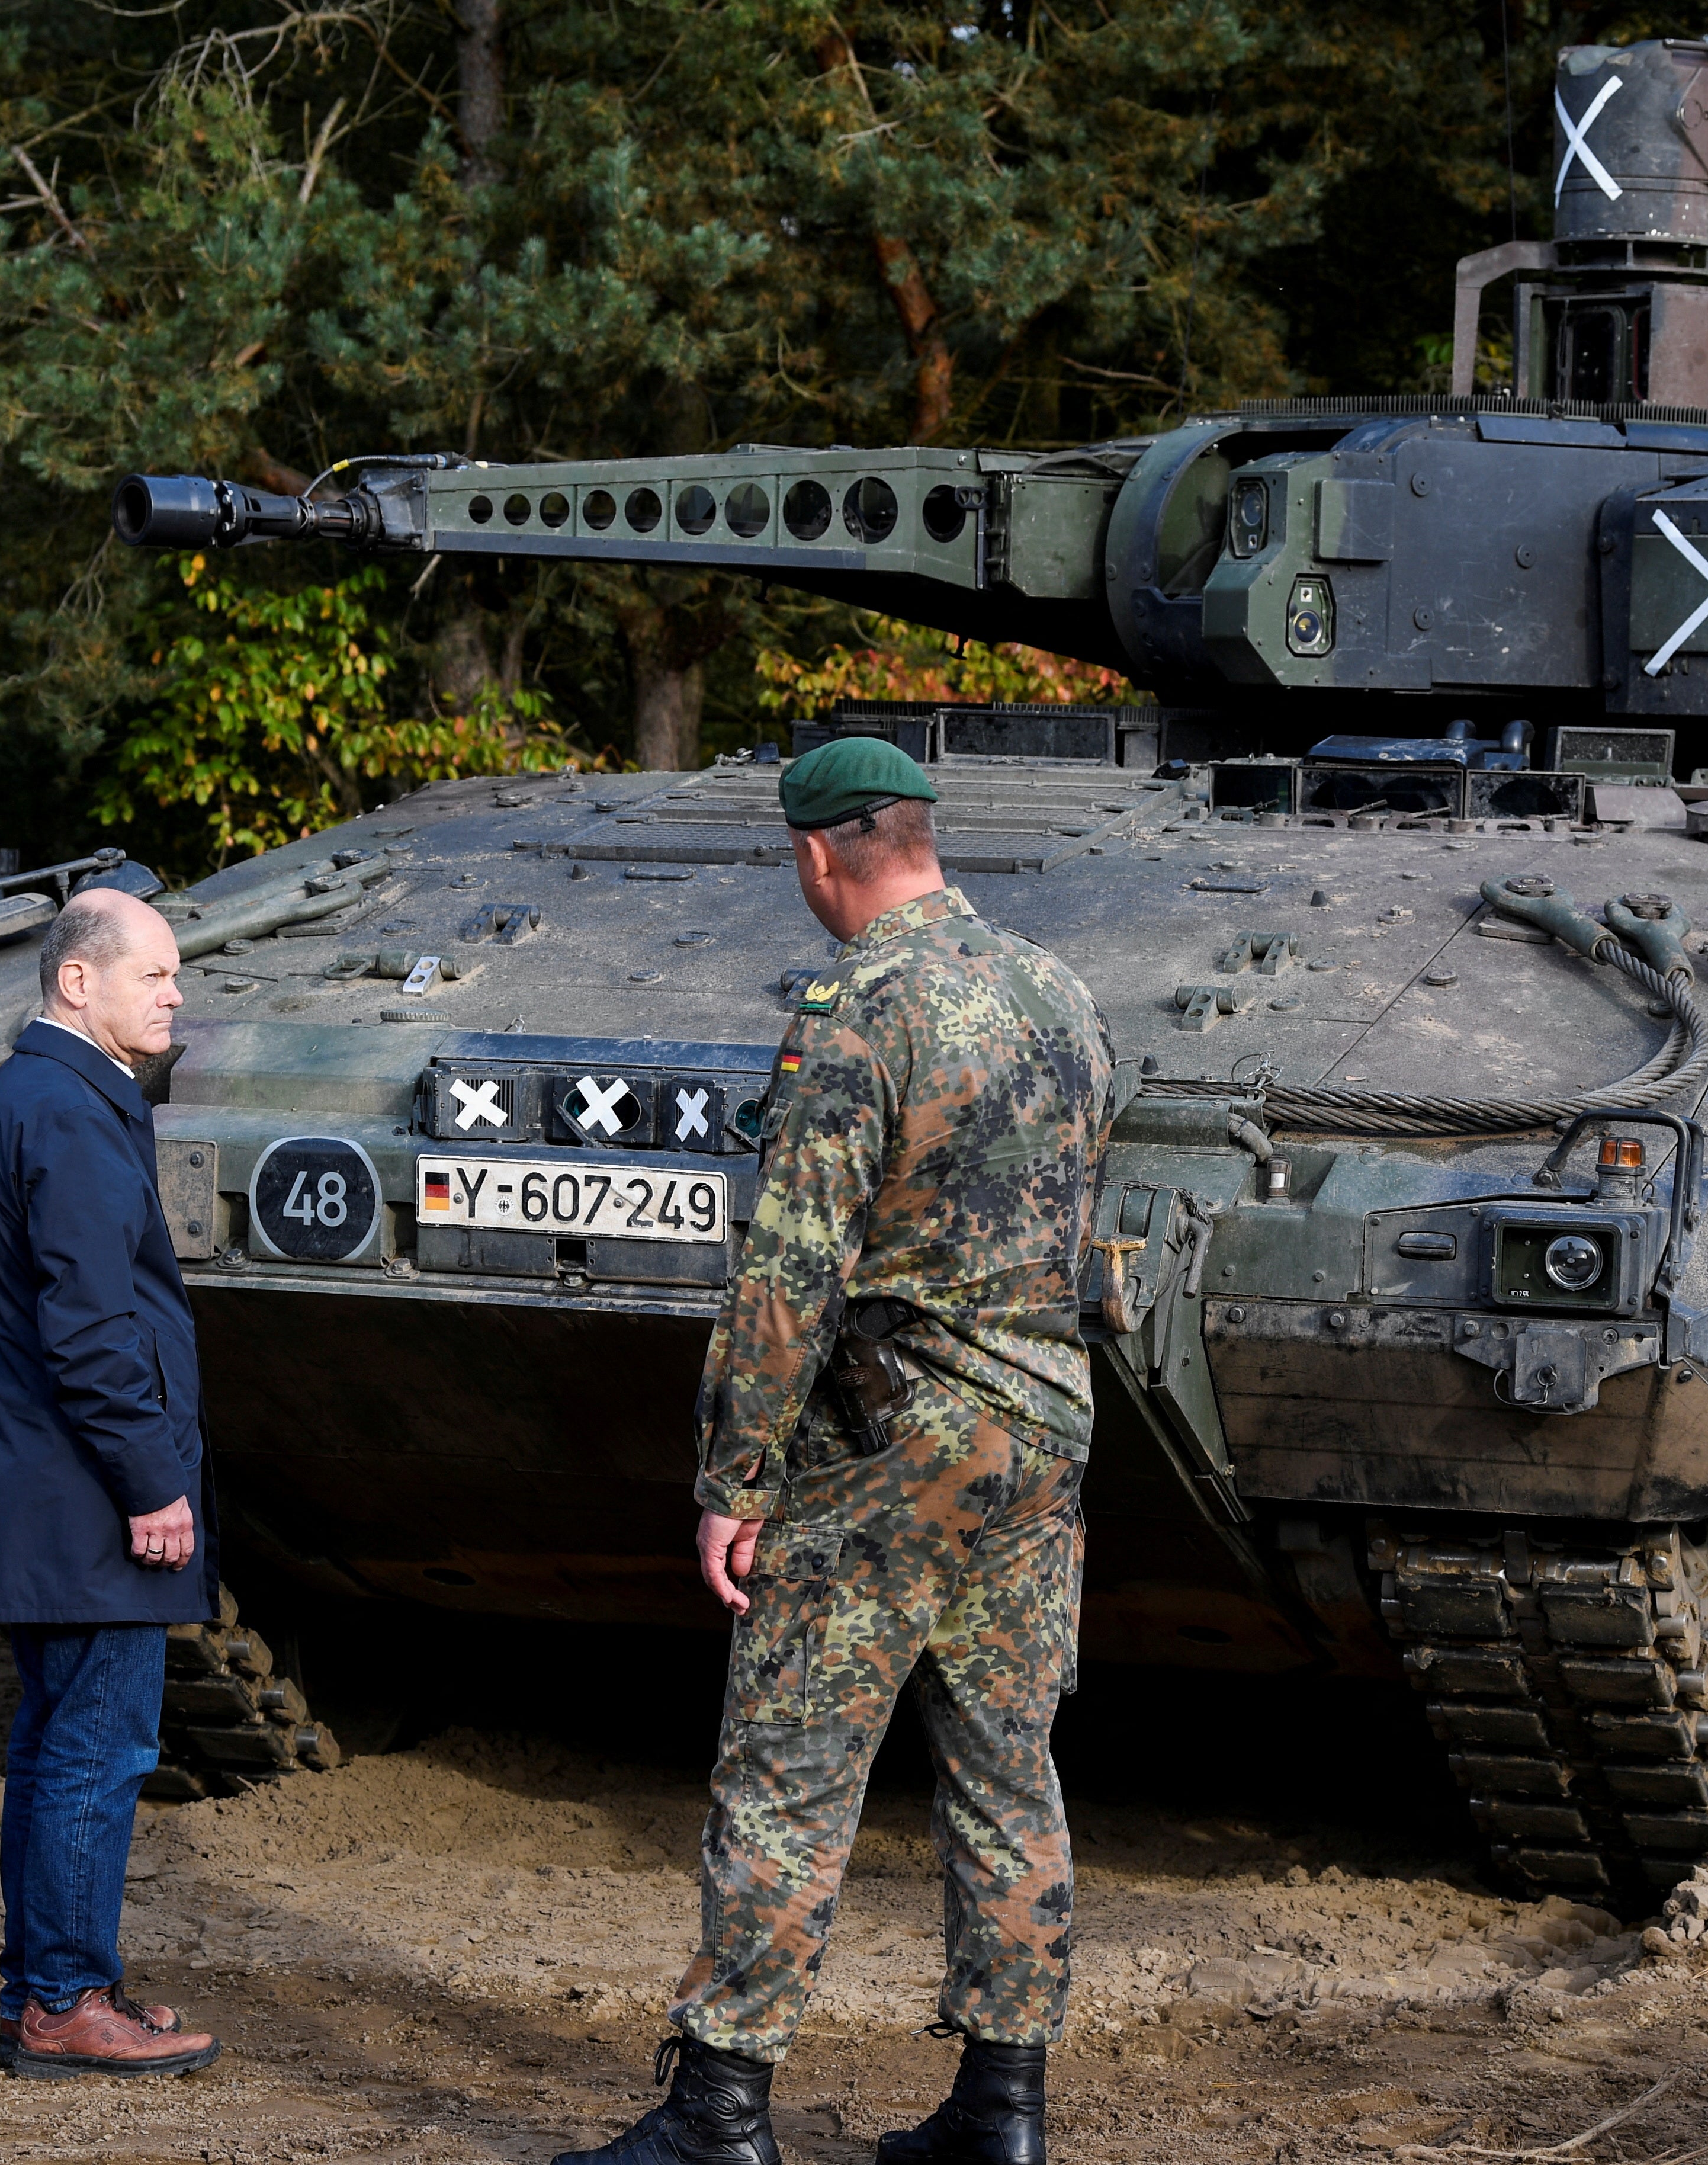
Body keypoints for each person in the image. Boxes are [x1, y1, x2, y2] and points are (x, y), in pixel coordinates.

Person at [558, 739, 1112, 2165]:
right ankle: (1005, 2113)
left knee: (792, 1769)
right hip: (1042, 1435)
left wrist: (734, 1482)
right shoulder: (1062, 996)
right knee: (1008, 1767)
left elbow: (789, 1271)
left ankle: (720, 2113)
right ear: (924, 838)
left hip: (888, 1450)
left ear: (818, 857)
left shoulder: (860, 1008)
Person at [0, 883, 222, 2081]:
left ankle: (48, 1989)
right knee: (97, 1746)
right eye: (155, 973)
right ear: (78, 981)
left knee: (60, 1738)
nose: (177, 992)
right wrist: (154, 1481)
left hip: (49, 1487)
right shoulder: (66, 1111)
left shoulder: (33, 1096)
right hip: (89, 1494)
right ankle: (64, 1999)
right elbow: (94, 1330)